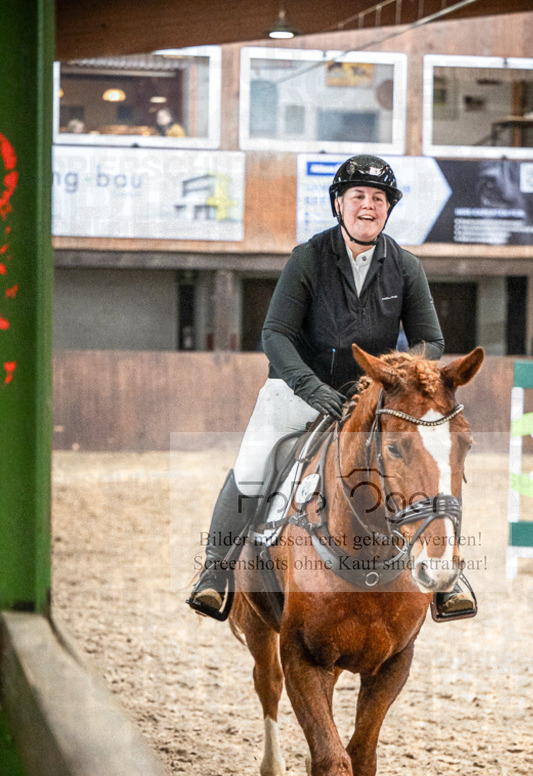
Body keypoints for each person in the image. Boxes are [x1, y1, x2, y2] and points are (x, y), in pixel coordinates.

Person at [188, 154, 475, 620]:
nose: (369, 206)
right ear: (338, 204)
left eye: (378, 199)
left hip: (370, 398)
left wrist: (393, 379)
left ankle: (447, 578)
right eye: (358, 196)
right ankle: (215, 573)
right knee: (252, 467)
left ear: (388, 208)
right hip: (296, 389)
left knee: (430, 465)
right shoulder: (309, 258)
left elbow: (431, 340)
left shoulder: (405, 266)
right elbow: (275, 333)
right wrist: (309, 386)